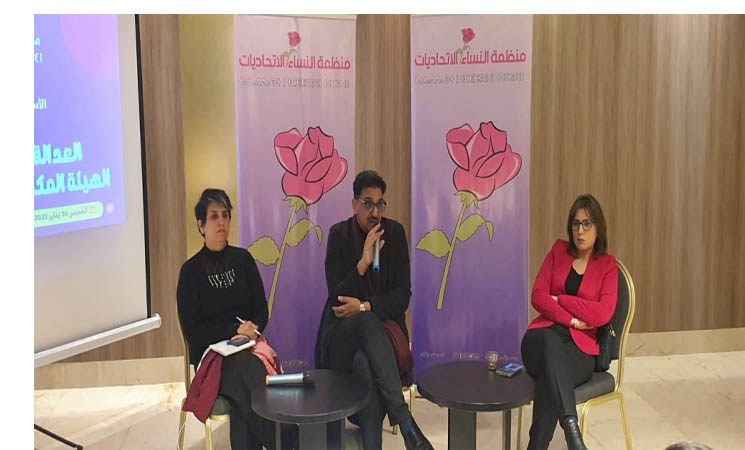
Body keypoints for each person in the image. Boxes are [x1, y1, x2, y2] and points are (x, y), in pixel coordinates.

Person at [314, 170, 433, 450]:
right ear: (354, 205)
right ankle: (405, 422)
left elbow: (402, 296)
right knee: (366, 322)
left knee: (365, 364)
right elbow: (336, 298)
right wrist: (363, 263)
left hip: (382, 339)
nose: (375, 212)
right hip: (341, 337)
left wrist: (364, 306)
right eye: (368, 204)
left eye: (380, 204)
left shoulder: (395, 234)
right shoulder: (339, 235)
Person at [177, 188, 296, 450]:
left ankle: (286, 440)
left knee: (243, 397)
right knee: (246, 373)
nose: (221, 222)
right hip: (212, 357)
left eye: (226, 215)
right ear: (201, 225)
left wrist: (250, 330)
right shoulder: (190, 272)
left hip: (248, 348)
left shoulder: (243, 259)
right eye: (214, 216)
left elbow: (261, 311)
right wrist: (233, 330)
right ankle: (288, 440)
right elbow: (193, 332)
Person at [520, 194, 618, 450]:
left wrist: (561, 299)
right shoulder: (558, 251)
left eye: (587, 224)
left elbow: (603, 313)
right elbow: (538, 296)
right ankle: (572, 433)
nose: (580, 231)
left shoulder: (607, 265)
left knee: (550, 377)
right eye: (575, 224)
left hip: (580, 349)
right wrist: (572, 320)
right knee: (550, 344)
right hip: (541, 339)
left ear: (598, 228)